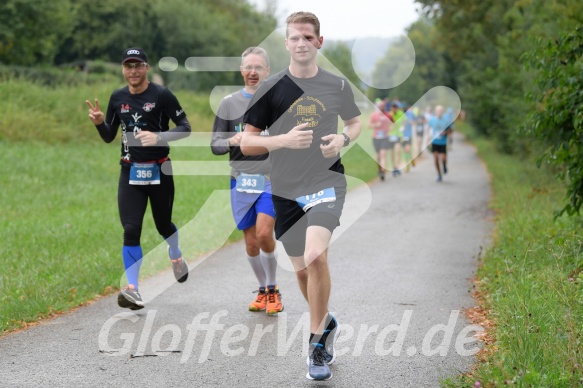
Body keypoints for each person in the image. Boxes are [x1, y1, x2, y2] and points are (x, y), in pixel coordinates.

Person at [240, 11, 361, 381]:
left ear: (319, 42)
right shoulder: (271, 88)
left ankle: (316, 346)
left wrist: (342, 139)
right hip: (285, 190)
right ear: (287, 43)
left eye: (308, 37)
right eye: (295, 38)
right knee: (301, 271)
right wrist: (283, 141)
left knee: (315, 256)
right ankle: (325, 322)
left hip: (326, 182)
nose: (301, 43)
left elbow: (355, 123)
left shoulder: (337, 87)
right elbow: (247, 142)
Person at [86, 47, 191, 310]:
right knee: (131, 229)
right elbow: (110, 135)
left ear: (146, 67)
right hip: (130, 171)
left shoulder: (162, 95)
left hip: (159, 170)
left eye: (138, 65)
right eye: (128, 66)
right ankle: (133, 289)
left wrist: (159, 137)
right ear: (123, 69)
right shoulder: (117, 97)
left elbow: (185, 128)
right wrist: (100, 122)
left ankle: (175, 255)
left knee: (163, 224)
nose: (133, 71)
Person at [210, 47, 283, 315]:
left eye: (259, 67)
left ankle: (274, 289)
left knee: (265, 233)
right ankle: (262, 290)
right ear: (241, 70)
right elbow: (215, 145)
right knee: (251, 242)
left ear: (267, 71)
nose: (253, 72)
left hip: (270, 178)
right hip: (240, 180)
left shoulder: (278, 102)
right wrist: (232, 140)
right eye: (248, 67)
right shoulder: (229, 103)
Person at [368, 99, 392, 181]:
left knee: (383, 154)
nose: (382, 108)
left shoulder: (388, 115)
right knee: (378, 156)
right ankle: (380, 169)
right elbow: (369, 125)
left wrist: (389, 129)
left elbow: (392, 124)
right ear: (378, 107)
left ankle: (382, 170)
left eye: (383, 106)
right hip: (376, 138)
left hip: (385, 137)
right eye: (380, 106)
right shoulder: (374, 115)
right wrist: (376, 125)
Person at [428, 105, 452, 182]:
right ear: (435, 111)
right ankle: (439, 174)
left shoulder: (446, 120)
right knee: (435, 159)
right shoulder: (432, 120)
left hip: (443, 142)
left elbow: (450, 130)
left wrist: (445, 133)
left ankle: (444, 166)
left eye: (441, 111)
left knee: (443, 159)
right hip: (435, 142)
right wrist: (428, 139)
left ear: (443, 112)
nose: (439, 112)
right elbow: (429, 129)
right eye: (438, 111)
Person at [387, 102, 403, 177]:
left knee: (398, 150)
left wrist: (403, 128)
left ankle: (397, 166)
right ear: (391, 108)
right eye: (393, 108)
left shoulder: (400, 113)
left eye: (395, 107)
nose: (394, 109)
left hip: (398, 135)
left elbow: (404, 122)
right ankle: (394, 167)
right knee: (392, 152)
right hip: (390, 136)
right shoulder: (389, 115)